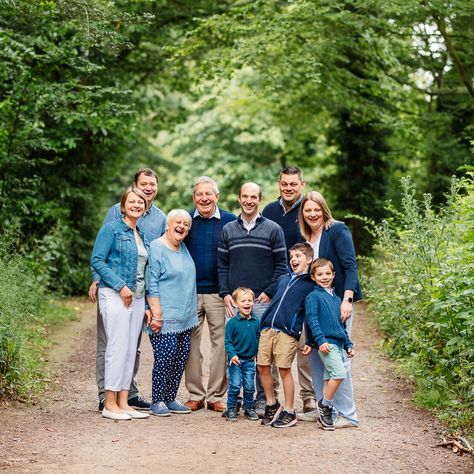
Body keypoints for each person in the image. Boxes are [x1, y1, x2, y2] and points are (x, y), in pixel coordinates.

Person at [89, 168, 166, 411]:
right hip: (114, 290)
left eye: (152, 184)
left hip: (138, 294)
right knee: (111, 343)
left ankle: (126, 395)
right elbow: (100, 256)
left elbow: (151, 259)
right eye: (143, 184)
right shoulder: (114, 217)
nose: (147, 188)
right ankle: (106, 397)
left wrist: (150, 301)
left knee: (132, 345)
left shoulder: (154, 221)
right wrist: (99, 279)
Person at [217, 182, 287, 416]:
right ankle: (235, 398)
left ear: (259, 199)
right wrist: (226, 293)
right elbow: (222, 265)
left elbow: (281, 265)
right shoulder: (228, 229)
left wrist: (268, 291)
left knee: (263, 352)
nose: (249, 200)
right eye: (244, 196)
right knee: (234, 350)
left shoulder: (273, 229)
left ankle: (262, 398)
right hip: (235, 301)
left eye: (253, 197)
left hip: (263, 301)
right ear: (238, 198)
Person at [297, 191, 362, 428]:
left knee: (338, 358)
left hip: (337, 302)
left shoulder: (336, 229)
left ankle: (347, 415)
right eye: (307, 210)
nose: (312, 214)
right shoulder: (306, 237)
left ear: (324, 209)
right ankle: (325, 407)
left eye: (316, 209)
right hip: (314, 302)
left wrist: (347, 298)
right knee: (315, 355)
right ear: (302, 213)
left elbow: (350, 266)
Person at [90, 187, 150, 421]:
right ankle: (110, 403)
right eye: (132, 201)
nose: (136, 205)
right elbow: (97, 260)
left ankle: (123, 401)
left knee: (128, 349)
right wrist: (120, 285)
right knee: (116, 347)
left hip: (137, 297)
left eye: (141, 203)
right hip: (115, 294)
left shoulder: (141, 233)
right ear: (123, 206)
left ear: (144, 209)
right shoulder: (112, 229)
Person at [262, 166, 317, 413]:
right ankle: (271, 396)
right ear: (279, 184)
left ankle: (308, 395)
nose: (288, 188)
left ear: (301, 184)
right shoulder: (270, 211)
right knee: (274, 341)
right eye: (284, 183)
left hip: (303, 284)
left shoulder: (309, 209)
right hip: (279, 283)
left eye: (293, 184)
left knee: (303, 341)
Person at [184, 177, 237, 413]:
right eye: (199, 194)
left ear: (217, 196)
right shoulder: (185, 221)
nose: (204, 198)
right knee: (190, 344)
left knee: (222, 345)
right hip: (190, 293)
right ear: (194, 198)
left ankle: (216, 395)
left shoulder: (229, 221)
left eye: (209, 194)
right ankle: (195, 394)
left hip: (219, 293)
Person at [146, 209, 199, 417]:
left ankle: (170, 397)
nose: (182, 227)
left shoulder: (182, 247)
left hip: (185, 316)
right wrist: (156, 314)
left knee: (180, 358)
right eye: (178, 222)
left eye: (186, 224)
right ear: (168, 225)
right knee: (164, 358)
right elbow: (152, 282)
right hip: (165, 315)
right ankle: (157, 400)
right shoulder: (157, 247)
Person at [258, 243, 315, 428]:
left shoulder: (310, 285)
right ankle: (272, 404)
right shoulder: (283, 279)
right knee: (262, 366)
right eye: (291, 257)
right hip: (268, 328)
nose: (293, 259)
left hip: (287, 332)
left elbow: (311, 314)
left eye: (298, 255)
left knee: (283, 370)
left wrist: (312, 340)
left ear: (309, 259)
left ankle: (290, 411)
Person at [303, 258, 355, 431]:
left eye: (327, 274)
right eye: (319, 274)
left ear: (333, 275)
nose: (324, 277)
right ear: (313, 277)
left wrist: (348, 344)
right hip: (326, 344)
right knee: (339, 374)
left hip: (338, 345)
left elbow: (341, 326)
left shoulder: (336, 299)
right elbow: (312, 320)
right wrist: (320, 340)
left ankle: (324, 416)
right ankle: (325, 405)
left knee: (328, 377)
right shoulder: (313, 297)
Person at [224, 287, 261, 422]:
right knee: (234, 385)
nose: (247, 303)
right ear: (235, 304)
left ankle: (249, 408)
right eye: (243, 300)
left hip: (250, 361)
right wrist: (232, 354)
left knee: (250, 386)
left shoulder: (256, 322)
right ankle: (231, 408)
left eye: (250, 300)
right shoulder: (232, 323)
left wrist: (258, 353)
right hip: (236, 361)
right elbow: (228, 341)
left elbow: (258, 338)